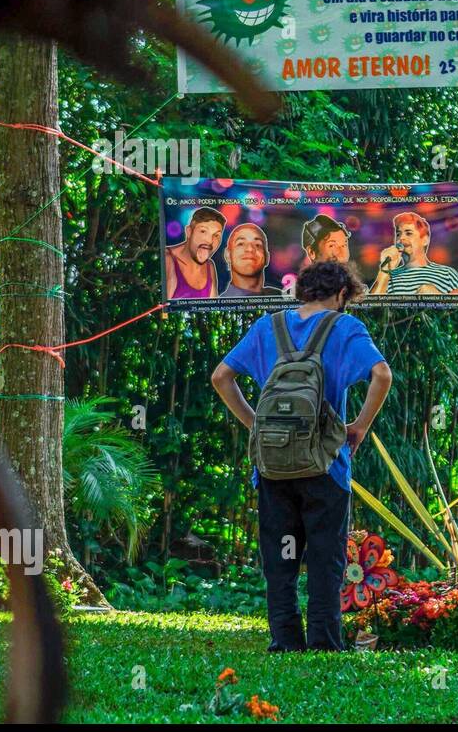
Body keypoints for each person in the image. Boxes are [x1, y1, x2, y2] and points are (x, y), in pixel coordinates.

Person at [211, 261, 392, 652]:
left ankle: (285, 640)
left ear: (303, 290)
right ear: (343, 294)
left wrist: (255, 424)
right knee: (326, 557)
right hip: (326, 464)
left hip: (273, 465)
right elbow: (382, 375)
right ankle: (325, 642)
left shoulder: (267, 327)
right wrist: (359, 425)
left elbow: (220, 376)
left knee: (280, 556)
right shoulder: (344, 328)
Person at [371, 211, 458, 296]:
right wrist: (384, 271)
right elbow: (369, 311)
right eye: (398, 234)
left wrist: (438, 298)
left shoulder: (447, 274)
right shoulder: (388, 277)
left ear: (425, 240)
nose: (401, 238)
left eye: (408, 233)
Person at [165, 206, 225, 299]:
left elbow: (213, 307)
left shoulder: (210, 266)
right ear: (189, 232)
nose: (209, 241)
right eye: (203, 231)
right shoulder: (168, 259)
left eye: (216, 235)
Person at [221, 223, 282, 297]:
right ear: (227, 255)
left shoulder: (281, 298)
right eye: (241, 244)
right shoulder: (218, 305)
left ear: (267, 257)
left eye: (257, 245)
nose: (250, 249)